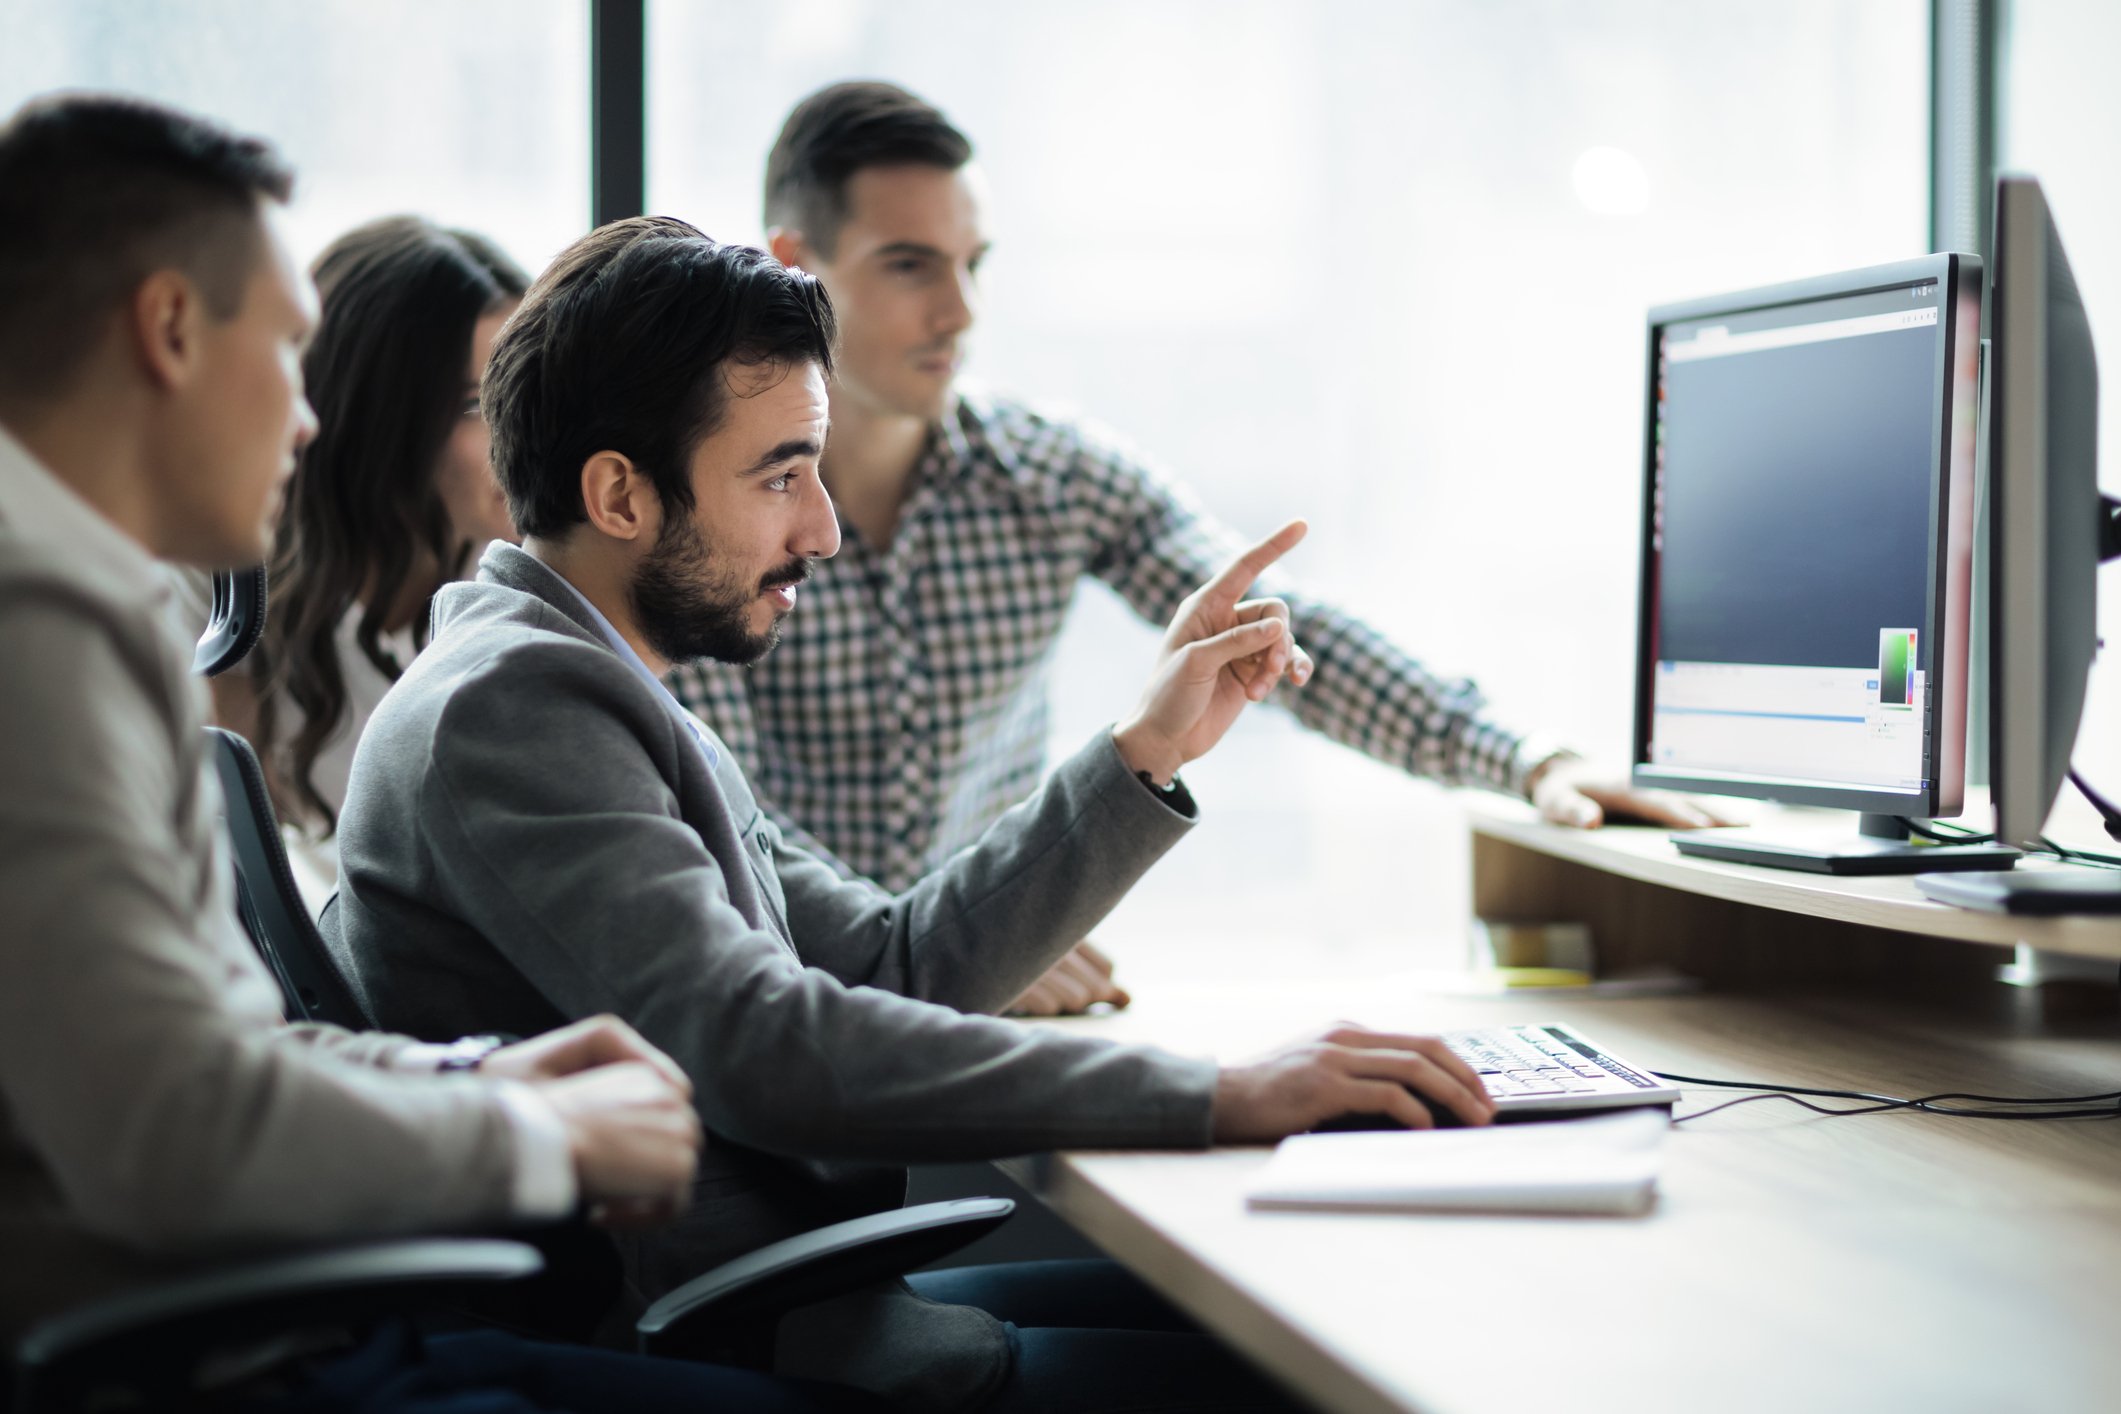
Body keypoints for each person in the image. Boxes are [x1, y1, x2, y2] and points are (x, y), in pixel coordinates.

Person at [329, 214, 1497, 1413]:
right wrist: (1219, 1094)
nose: (823, 530)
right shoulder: (514, 712)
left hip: (796, 1308)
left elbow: (896, 960)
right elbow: (762, 1049)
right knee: (1306, 1375)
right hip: (727, 1345)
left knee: (1280, 1320)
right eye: (780, 476)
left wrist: (1143, 752)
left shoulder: (587, 684)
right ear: (620, 494)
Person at [0, 92, 866, 1413]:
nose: (306, 420)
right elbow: (169, 1130)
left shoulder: (83, 607)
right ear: (169, 328)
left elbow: (198, 1055)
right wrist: (529, 1131)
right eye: (284, 347)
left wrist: (464, 1073)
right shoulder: (42, 626)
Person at [666, 81, 1736, 1014]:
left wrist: (1529, 758)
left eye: (974, 263)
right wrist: (959, 949)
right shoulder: (710, 518)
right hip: (794, 1022)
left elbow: (1273, 633)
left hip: (984, 1011)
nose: (960, 310)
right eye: (911, 267)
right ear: (794, 265)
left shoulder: (1046, 474)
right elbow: (729, 830)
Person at [210, 215, 527, 903]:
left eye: (529, 388)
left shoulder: (535, 588)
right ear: (381, 420)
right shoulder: (241, 612)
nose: (525, 432)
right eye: (475, 405)